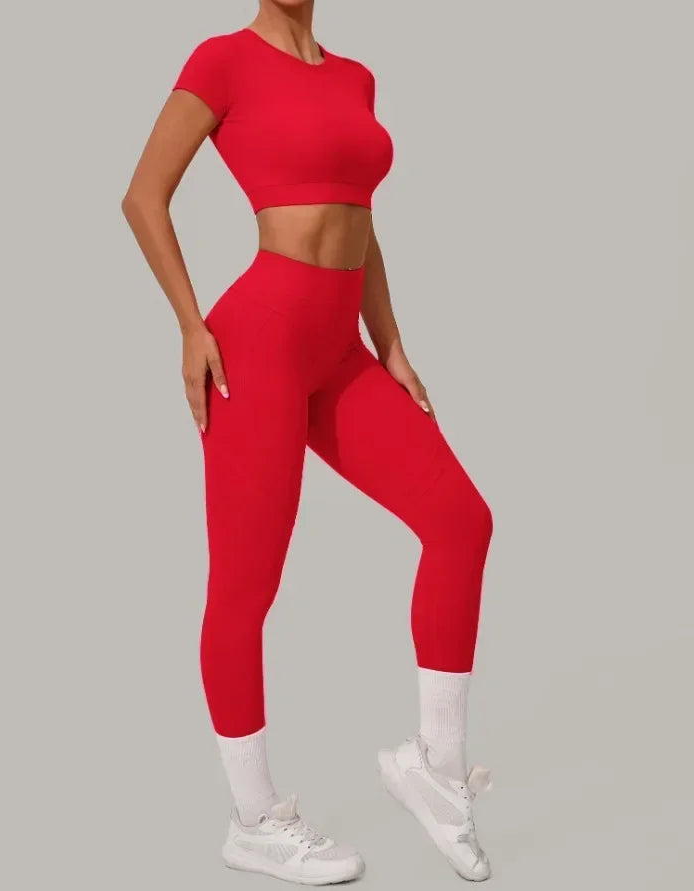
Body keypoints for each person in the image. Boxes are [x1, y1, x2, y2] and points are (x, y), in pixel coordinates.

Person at [122, 1, 494, 884]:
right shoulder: (222, 61)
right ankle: (254, 818)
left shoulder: (355, 77)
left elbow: (359, 224)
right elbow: (142, 196)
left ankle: (436, 769)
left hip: (339, 348)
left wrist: (390, 342)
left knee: (461, 522)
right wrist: (189, 325)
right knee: (245, 585)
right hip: (257, 347)